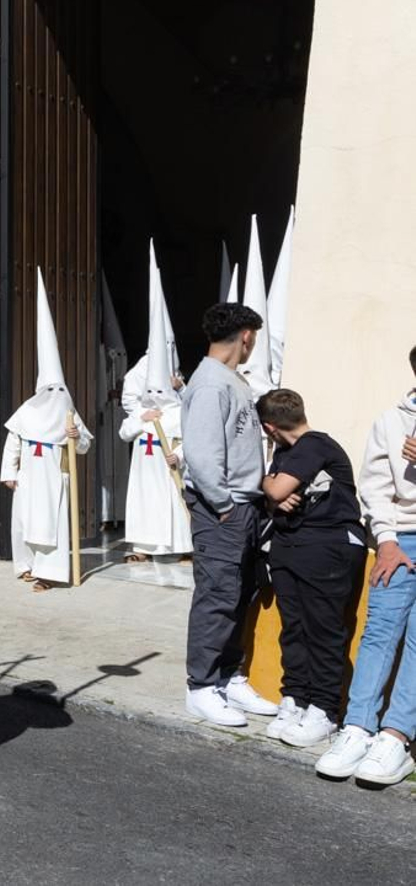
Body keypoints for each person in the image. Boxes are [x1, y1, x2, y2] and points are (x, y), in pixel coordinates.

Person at [314, 347, 416, 785]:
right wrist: (388, 542)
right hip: (401, 539)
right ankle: (357, 727)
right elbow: (375, 488)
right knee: (380, 630)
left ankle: (397, 736)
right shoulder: (391, 421)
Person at [180, 302, 278, 726]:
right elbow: (202, 456)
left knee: (238, 594)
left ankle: (226, 677)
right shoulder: (210, 385)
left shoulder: (229, 381)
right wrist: (221, 505)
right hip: (224, 507)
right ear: (247, 337)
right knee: (217, 595)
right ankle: (200, 686)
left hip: (243, 505)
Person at [253, 388, 366, 747]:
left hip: (326, 548)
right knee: (295, 627)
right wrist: (275, 496)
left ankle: (325, 709)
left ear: (269, 427)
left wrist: (269, 486)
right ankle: (297, 698)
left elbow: (275, 489)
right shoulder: (286, 452)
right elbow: (277, 500)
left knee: (323, 629)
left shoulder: (316, 445)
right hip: (290, 548)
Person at [0, 272, 91, 591]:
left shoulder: (67, 410)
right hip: (28, 476)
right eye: (48, 388)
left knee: (51, 525)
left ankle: (49, 573)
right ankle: (25, 565)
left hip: (55, 478)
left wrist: (76, 438)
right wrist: (8, 472)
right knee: (24, 521)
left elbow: (84, 445)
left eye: (58, 388)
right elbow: (13, 442)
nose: (54, 393)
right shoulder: (27, 410)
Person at [119, 298, 191, 563]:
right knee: (144, 498)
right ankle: (143, 546)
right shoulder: (140, 370)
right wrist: (142, 417)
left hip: (169, 459)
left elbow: (191, 425)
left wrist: (180, 455)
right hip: (144, 461)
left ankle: (180, 546)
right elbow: (129, 412)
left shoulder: (176, 382)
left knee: (173, 495)